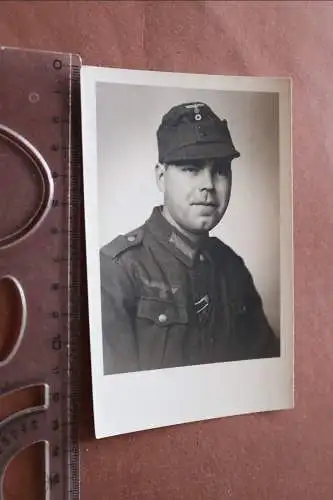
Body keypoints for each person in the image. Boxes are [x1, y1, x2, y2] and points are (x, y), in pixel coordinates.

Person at [100, 101, 280, 375]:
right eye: (191, 169)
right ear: (161, 177)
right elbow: (117, 399)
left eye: (220, 170)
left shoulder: (232, 267)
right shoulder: (117, 270)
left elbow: (265, 376)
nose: (208, 184)